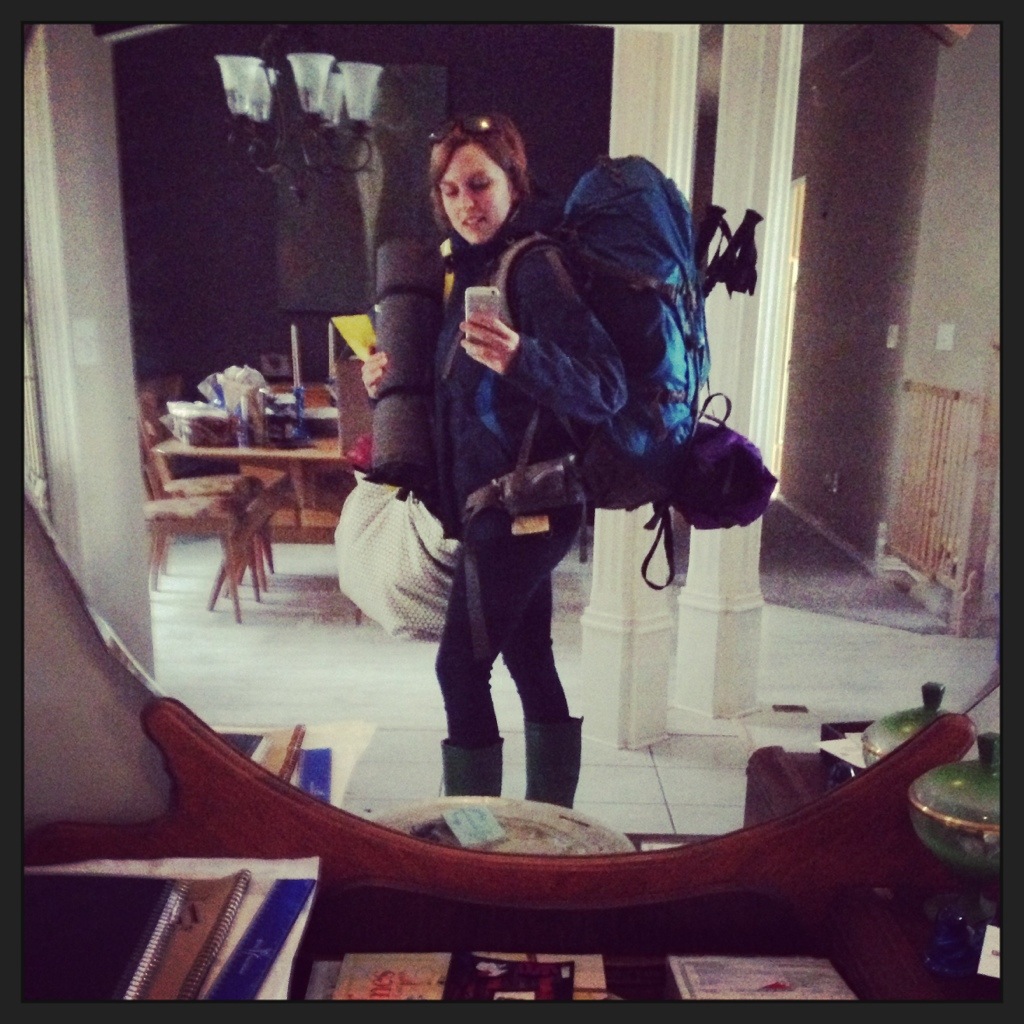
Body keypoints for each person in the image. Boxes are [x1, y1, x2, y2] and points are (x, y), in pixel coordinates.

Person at [362, 113, 626, 807]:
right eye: (450, 191)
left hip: (525, 509)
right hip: (498, 506)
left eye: (479, 184)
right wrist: (387, 382)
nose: (465, 204)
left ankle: (476, 841)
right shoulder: (465, 275)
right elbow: (456, 401)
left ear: (513, 183)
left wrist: (520, 356)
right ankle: (548, 828)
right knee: (529, 659)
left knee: (459, 670)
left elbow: (606, 387)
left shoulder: (535, 268)